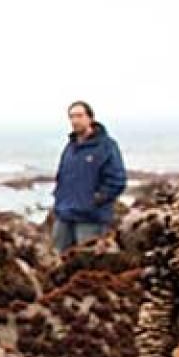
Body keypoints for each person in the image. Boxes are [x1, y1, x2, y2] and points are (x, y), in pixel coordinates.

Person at [51, 100, 128, 253]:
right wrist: (58, 199)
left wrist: (96, 199)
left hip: (91, 218)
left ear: (90, 118)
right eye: (72, 117)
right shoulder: (71, 147)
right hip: (65, 215)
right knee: (61, 261)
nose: (75, 121)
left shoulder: (106, 146)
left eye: (79, 116)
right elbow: (62, 177)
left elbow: (118, 180)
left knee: (88, 263)